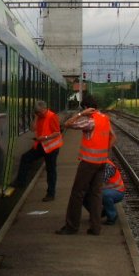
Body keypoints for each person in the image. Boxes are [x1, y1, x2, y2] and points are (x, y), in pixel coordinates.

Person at [56, 95, 116, 236]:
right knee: (96, 195)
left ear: (86, 108)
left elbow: (67, 124)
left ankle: (71, 227)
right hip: (101, 162)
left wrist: (80, 114)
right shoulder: (105, 118)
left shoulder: (90, 121)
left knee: (77, 193)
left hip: (89, 163)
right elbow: (114, 137)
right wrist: (105, 151)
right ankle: (96, 228)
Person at [11, 100, 63, 201]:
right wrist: (35, 118)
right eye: (37, 112)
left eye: (40, 112)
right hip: (41, 146)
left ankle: (50, 194)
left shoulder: (52, 116)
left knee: (51, 170)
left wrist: (45, 137)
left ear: (45, 109)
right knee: (25, 158)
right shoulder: (38, 117)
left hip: (52, 148)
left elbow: (57, 133)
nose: (39, 114)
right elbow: (32, 129)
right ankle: (21, 182)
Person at [82, 159, 125, 225]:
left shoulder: (108, 166)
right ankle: (98, 213)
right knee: (83, 195)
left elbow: (100, 182)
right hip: (104, 190)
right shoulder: (94, 163)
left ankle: (112, 216)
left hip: (117, 191)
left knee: (104, 195)